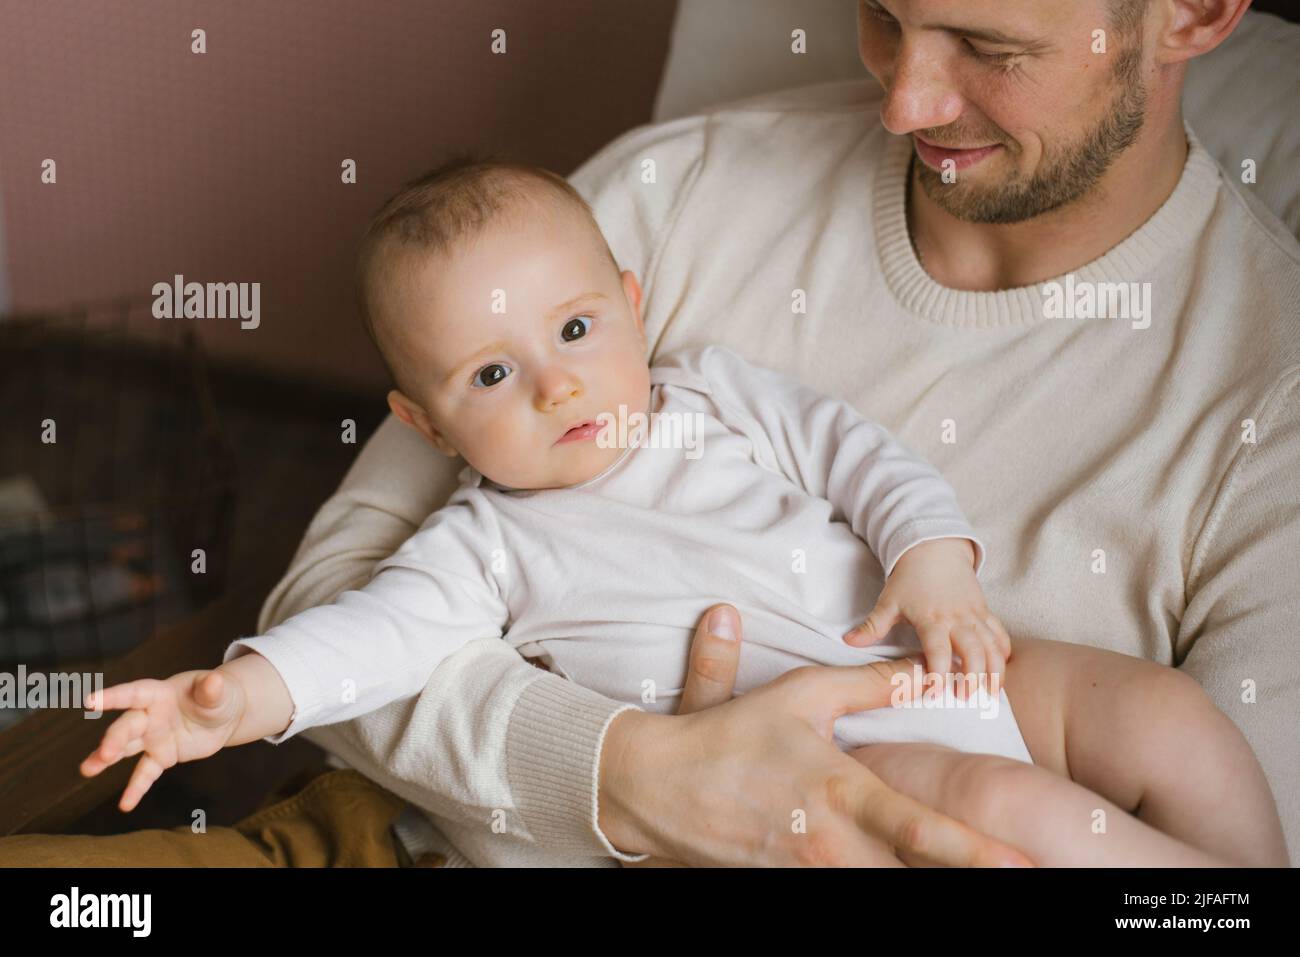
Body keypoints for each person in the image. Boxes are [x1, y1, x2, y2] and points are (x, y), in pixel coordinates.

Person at [3, 0, 1296, 867]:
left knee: (1162, 735)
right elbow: (345, 607)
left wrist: (935, 554)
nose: (901, 101)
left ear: (1192, 15)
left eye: (986, 46)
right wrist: (630, 776)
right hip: (469, 829)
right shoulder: (657, 201)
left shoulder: (1268, 386)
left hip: (986, 714)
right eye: (883, 14)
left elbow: (860, 461)